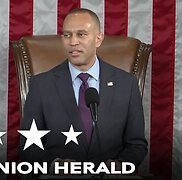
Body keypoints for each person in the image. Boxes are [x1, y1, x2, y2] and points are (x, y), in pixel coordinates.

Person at [18, 8, 148, 172]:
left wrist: (121, 165)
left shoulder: (126, 84)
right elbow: (28, 147)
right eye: (67, 35)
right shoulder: (41, 85)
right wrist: (54, 165)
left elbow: (137, 144)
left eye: (81, 34)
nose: (73, 42)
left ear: (98, 39)